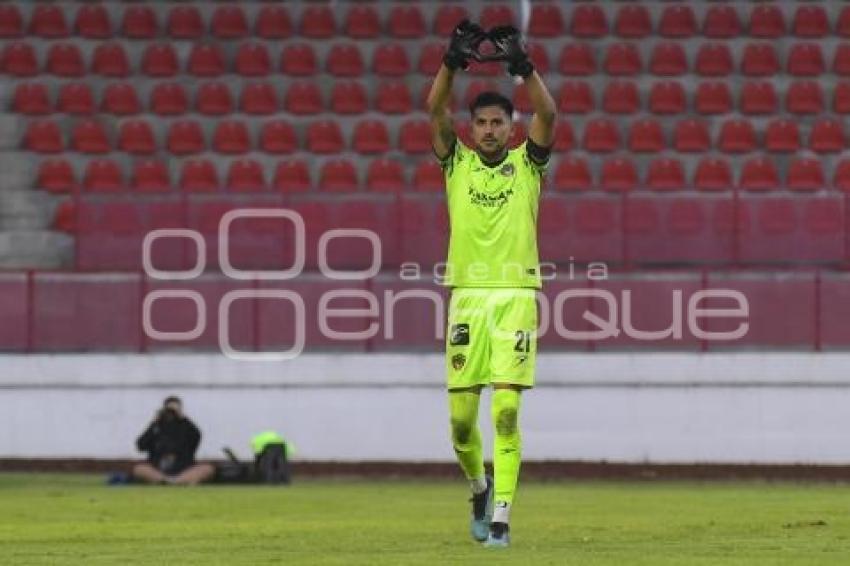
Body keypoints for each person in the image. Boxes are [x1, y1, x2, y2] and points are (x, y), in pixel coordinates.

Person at [426, 21, 556, 547]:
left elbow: (549, 114)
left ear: (510, 125)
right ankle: (479, 488)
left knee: (504, 411)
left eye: (497, 122)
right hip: (467, 300)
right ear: (472, 127)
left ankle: (501, 519)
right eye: (480, 122)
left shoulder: (528, 164)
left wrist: (523, 67)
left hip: (516, 297)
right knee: (460, 425)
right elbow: (434, 111)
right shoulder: (455, 162)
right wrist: (450, 62)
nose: (488, 130)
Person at [132, 396, 215, 486]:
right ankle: (167, 481)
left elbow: (197, 436)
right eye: (169, 410)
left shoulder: (186, 427)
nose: (171, 413)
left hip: (184, 470)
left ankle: (175, 482)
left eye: (174, 411)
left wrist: (184, 418)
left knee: (207, 468)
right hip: (158, 470)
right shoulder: (156, 428)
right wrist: (153, 423)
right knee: (139, 469)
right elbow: (140, 446)